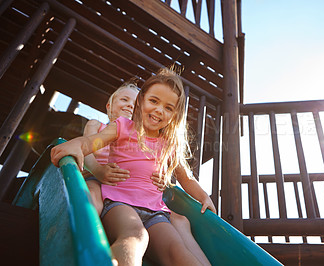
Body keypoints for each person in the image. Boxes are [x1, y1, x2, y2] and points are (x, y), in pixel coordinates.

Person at [51, 68, 215, 266]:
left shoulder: (169, 144)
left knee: (177, 250)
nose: (159, 110)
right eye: (154, 101)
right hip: (119, 203)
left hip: (156, 213)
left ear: (174, 115)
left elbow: (186, 177)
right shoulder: (122, 127)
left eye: (168, 108)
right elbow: (93, 142)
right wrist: (77, 145)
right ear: (141, 101)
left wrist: (204, 197)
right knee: (136, 236)